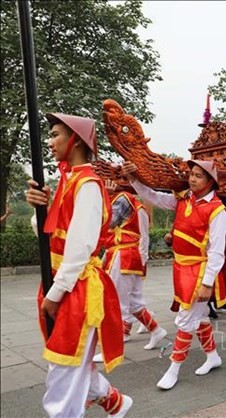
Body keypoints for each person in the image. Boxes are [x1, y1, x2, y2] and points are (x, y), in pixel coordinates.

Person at [25, 113, 131, 417]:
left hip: (76, 288)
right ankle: (115, 403)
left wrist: (56, 293)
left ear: (75, 140)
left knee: (62, 372)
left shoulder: (87, 184)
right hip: (60, 281)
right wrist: (41, 208)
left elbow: (81, 247)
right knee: (67, 363)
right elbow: (47, 234)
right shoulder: (67, 180)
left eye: (56, 134)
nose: (49, 142)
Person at [122, 159, 226, 390]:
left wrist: (207, 283)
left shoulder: (218, 211)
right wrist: (133, 179)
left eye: (199, 175)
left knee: (185, 319)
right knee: (198, 317)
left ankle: (174, 368)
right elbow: (153, 197)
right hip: (181, 268)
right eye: (191, 174)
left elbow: (217, 253)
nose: (192, 178)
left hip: (199, 271)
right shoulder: (182, 200)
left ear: (210, 181)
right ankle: (213, 357)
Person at [93, 182, 167, 361]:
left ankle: (112, 349)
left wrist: (105, 196)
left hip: (123, 255)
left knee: (115, 303)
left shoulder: (123, 199)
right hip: (124, 255)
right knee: (134, 302)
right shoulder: (131, 202)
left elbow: (105, 222)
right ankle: (156, 330)